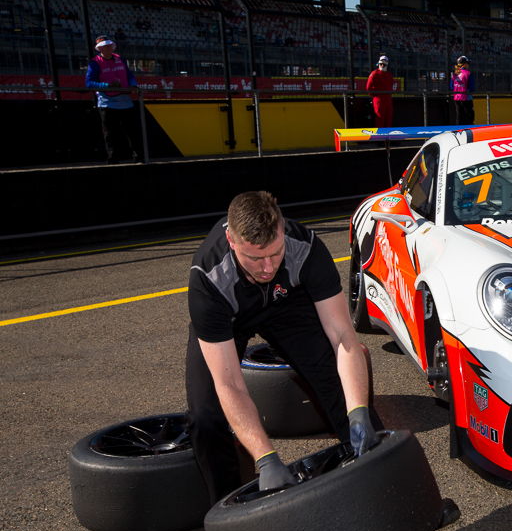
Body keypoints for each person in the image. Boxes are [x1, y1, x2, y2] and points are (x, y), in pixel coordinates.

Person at [186, 191, 378, 502]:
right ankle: (229, 518)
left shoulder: (306, 247)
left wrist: (358, 412)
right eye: (255, 258)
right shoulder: (208, 278)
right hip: (229, 316)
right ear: (232, 241)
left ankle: (387, 492)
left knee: (339, 386)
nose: (266, 267)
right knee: (205, 416)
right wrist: (266, 459)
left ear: (282, 229)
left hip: (286, 303)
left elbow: (344, 337)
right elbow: (230, 383)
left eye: (275, 254)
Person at [84, 35, 139, 164]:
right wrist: (106, 86)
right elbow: (89, 83)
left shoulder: (120, 59)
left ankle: (138, 156)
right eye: (104, 46)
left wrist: (133, 84)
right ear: (100, 49)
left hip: (125, 101)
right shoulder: (95, 63)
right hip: (107, 103)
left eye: (109, 45)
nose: (108, 48)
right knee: (110, 133)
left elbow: (129, 74)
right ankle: (113, 158)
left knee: (132, 132)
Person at [365, 55, 394, 127]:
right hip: (378, 99)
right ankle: (380, 136)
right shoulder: (374, 74)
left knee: (388, 118)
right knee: (379, 118)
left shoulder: (389, 75)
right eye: (381, 64)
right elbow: (368, 87)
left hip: (387, 99)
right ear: (378, 63)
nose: (382, 65)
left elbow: (391, 86)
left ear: (387, 64)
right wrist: (375, 96)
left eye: (384, 64)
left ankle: (388, 136)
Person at [450, 55, 475, 125]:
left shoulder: (454, 74)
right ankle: (470, 131)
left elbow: (451, 87)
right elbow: (472, 87)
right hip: (466, 98)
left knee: (459, 116)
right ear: (465, 64)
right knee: (469, 116)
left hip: (456, 98)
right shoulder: (468, 73)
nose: (468, 65)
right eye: (468, 63)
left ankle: (459, 131)